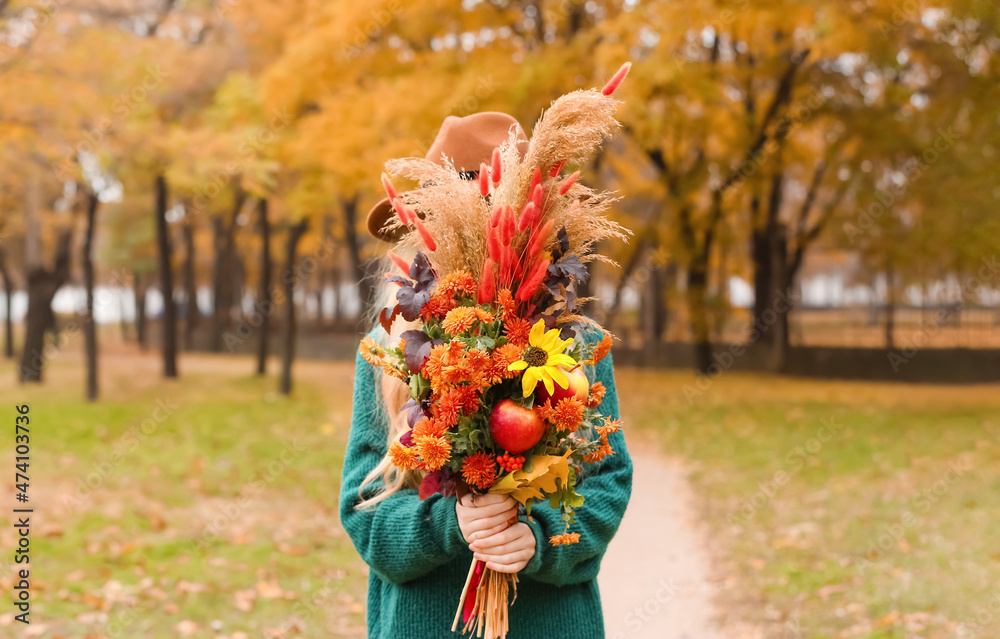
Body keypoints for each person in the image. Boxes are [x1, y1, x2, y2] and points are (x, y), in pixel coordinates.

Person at [338, 112, 633, 639]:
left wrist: (538, 540)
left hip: (550, 624)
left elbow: (606, 484)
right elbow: (365, 512)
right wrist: (448, 526)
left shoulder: (578, 344)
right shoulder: (387, 354)